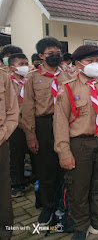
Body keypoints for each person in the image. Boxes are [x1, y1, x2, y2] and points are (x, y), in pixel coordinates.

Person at [54, 44, 98, 239]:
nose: (95, 65)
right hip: (80, 144)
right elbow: (59, 123)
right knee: (79, 187)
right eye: (89, 61)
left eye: (97, 61)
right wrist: (64, 152)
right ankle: (81, 224)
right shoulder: (67, 88)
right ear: (77, 64)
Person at [21, 37, 71, 225]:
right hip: (44, 126)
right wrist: (30, 135)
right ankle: (48, 205)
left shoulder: (67, 75)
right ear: (41, 56)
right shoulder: (32, 78)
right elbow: (27, 109)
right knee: (46, 169)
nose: (55, 57)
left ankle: (62, 202)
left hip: (65, 125)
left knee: (63, 167)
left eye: (58, 53)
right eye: (51, 54)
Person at [7, 53, 32, 198]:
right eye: (20, 64)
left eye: (25, 63)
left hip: (30, 124)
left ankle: (32, 179)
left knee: (33, 153)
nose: (24, 67)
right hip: (16, 126)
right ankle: (17, 184)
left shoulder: (29, 82)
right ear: (12, 68)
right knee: (17, 156)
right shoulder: (8, 84)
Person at [0, 66, 19, 240]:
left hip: (0, 145)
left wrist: (3, 134)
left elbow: (12, 111)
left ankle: (4, 232)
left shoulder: (2, 77)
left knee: (2, 191)